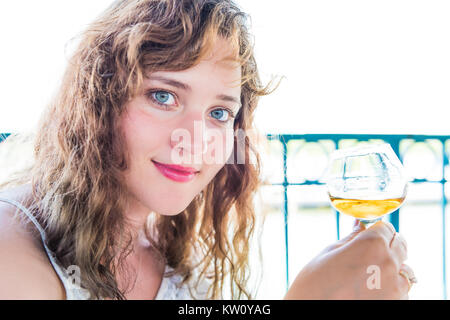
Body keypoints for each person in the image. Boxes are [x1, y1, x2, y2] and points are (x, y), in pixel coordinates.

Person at [0, 0, 415, 300]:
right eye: (163, 97)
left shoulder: (174, 245)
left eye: (219, 112)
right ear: (98, 102)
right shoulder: (11, 251)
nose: (196, 138)